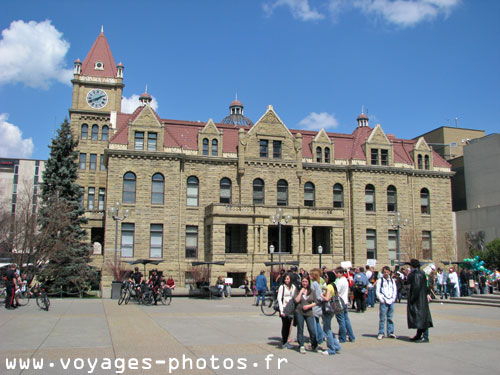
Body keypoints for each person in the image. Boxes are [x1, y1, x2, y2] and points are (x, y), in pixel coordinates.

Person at [407, 259, 433, 343]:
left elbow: (416, 287)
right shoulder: (421, 273)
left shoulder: (416, 274)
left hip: (418, 300)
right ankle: (419, 335)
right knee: (421, 318)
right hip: (421, 299)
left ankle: (425, 336)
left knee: (422, 318)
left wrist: (413, 298)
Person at [293, 275, 318, 354]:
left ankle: (314, 345)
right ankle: (301, 345)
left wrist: (308, 306)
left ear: (308, 282)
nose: (304, 283)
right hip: (299, 312)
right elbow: (296, 301)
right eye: (303, 281)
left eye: (306, 281)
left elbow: (316, 302)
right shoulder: (297, 290)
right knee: (300, 329)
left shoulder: (312, 291)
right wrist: (301, 292)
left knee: (312, 329)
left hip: (309, 312)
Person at [321, 271, 342, 355]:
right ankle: (336, 346)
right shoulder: (333, 285)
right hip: (333, 308)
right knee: (327, 328)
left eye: (326, 277)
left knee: (327, 329)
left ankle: (331, 349)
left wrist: (321, 295)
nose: (325, 278)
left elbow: (327, 298)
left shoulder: (329, 286)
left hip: (328, 309)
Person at [376, 266, 398, 340]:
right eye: (384, 272)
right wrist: (382, 299)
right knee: (382, 318)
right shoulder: (380, 280)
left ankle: (390, 332)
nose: (386, 273)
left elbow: (395, 290)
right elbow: (377, 291)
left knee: (390, 318)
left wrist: (393, 298)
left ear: (389, 272)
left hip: (391, 301)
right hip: (384, 301)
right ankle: (381, 332)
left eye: (387, 272)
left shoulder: (392, 280)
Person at [334, 267, 355, 343]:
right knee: (346, 320)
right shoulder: (346, 280)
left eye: (336, 273)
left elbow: (337, 291)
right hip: (345, 301)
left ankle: (342, 338)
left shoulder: (339, 281)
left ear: (340, 273)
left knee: (341, 321)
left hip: (339, 302)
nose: (336, 275)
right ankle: (351, 336)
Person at [277, 273, 296, 349]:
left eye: (287, 279)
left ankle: (286, 340)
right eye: (285, 279)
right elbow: (279, 298)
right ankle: (284, 341)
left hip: (291, 308)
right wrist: (281, 310)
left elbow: (294, 296)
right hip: (284, 308)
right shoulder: (282, 287)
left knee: (289, 325)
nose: (286, 280)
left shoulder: (293, 287)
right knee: (285, 325)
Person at [309, 269, 326, 346]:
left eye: (310, 275)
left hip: (315, 306)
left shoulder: (314, 284)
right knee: (317, 322)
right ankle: (320, 338)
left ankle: (315, 338)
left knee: (314, 324)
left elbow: (317, 296)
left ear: (313, 276)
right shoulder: (317, 283)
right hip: (319, 306)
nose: (309, 276)